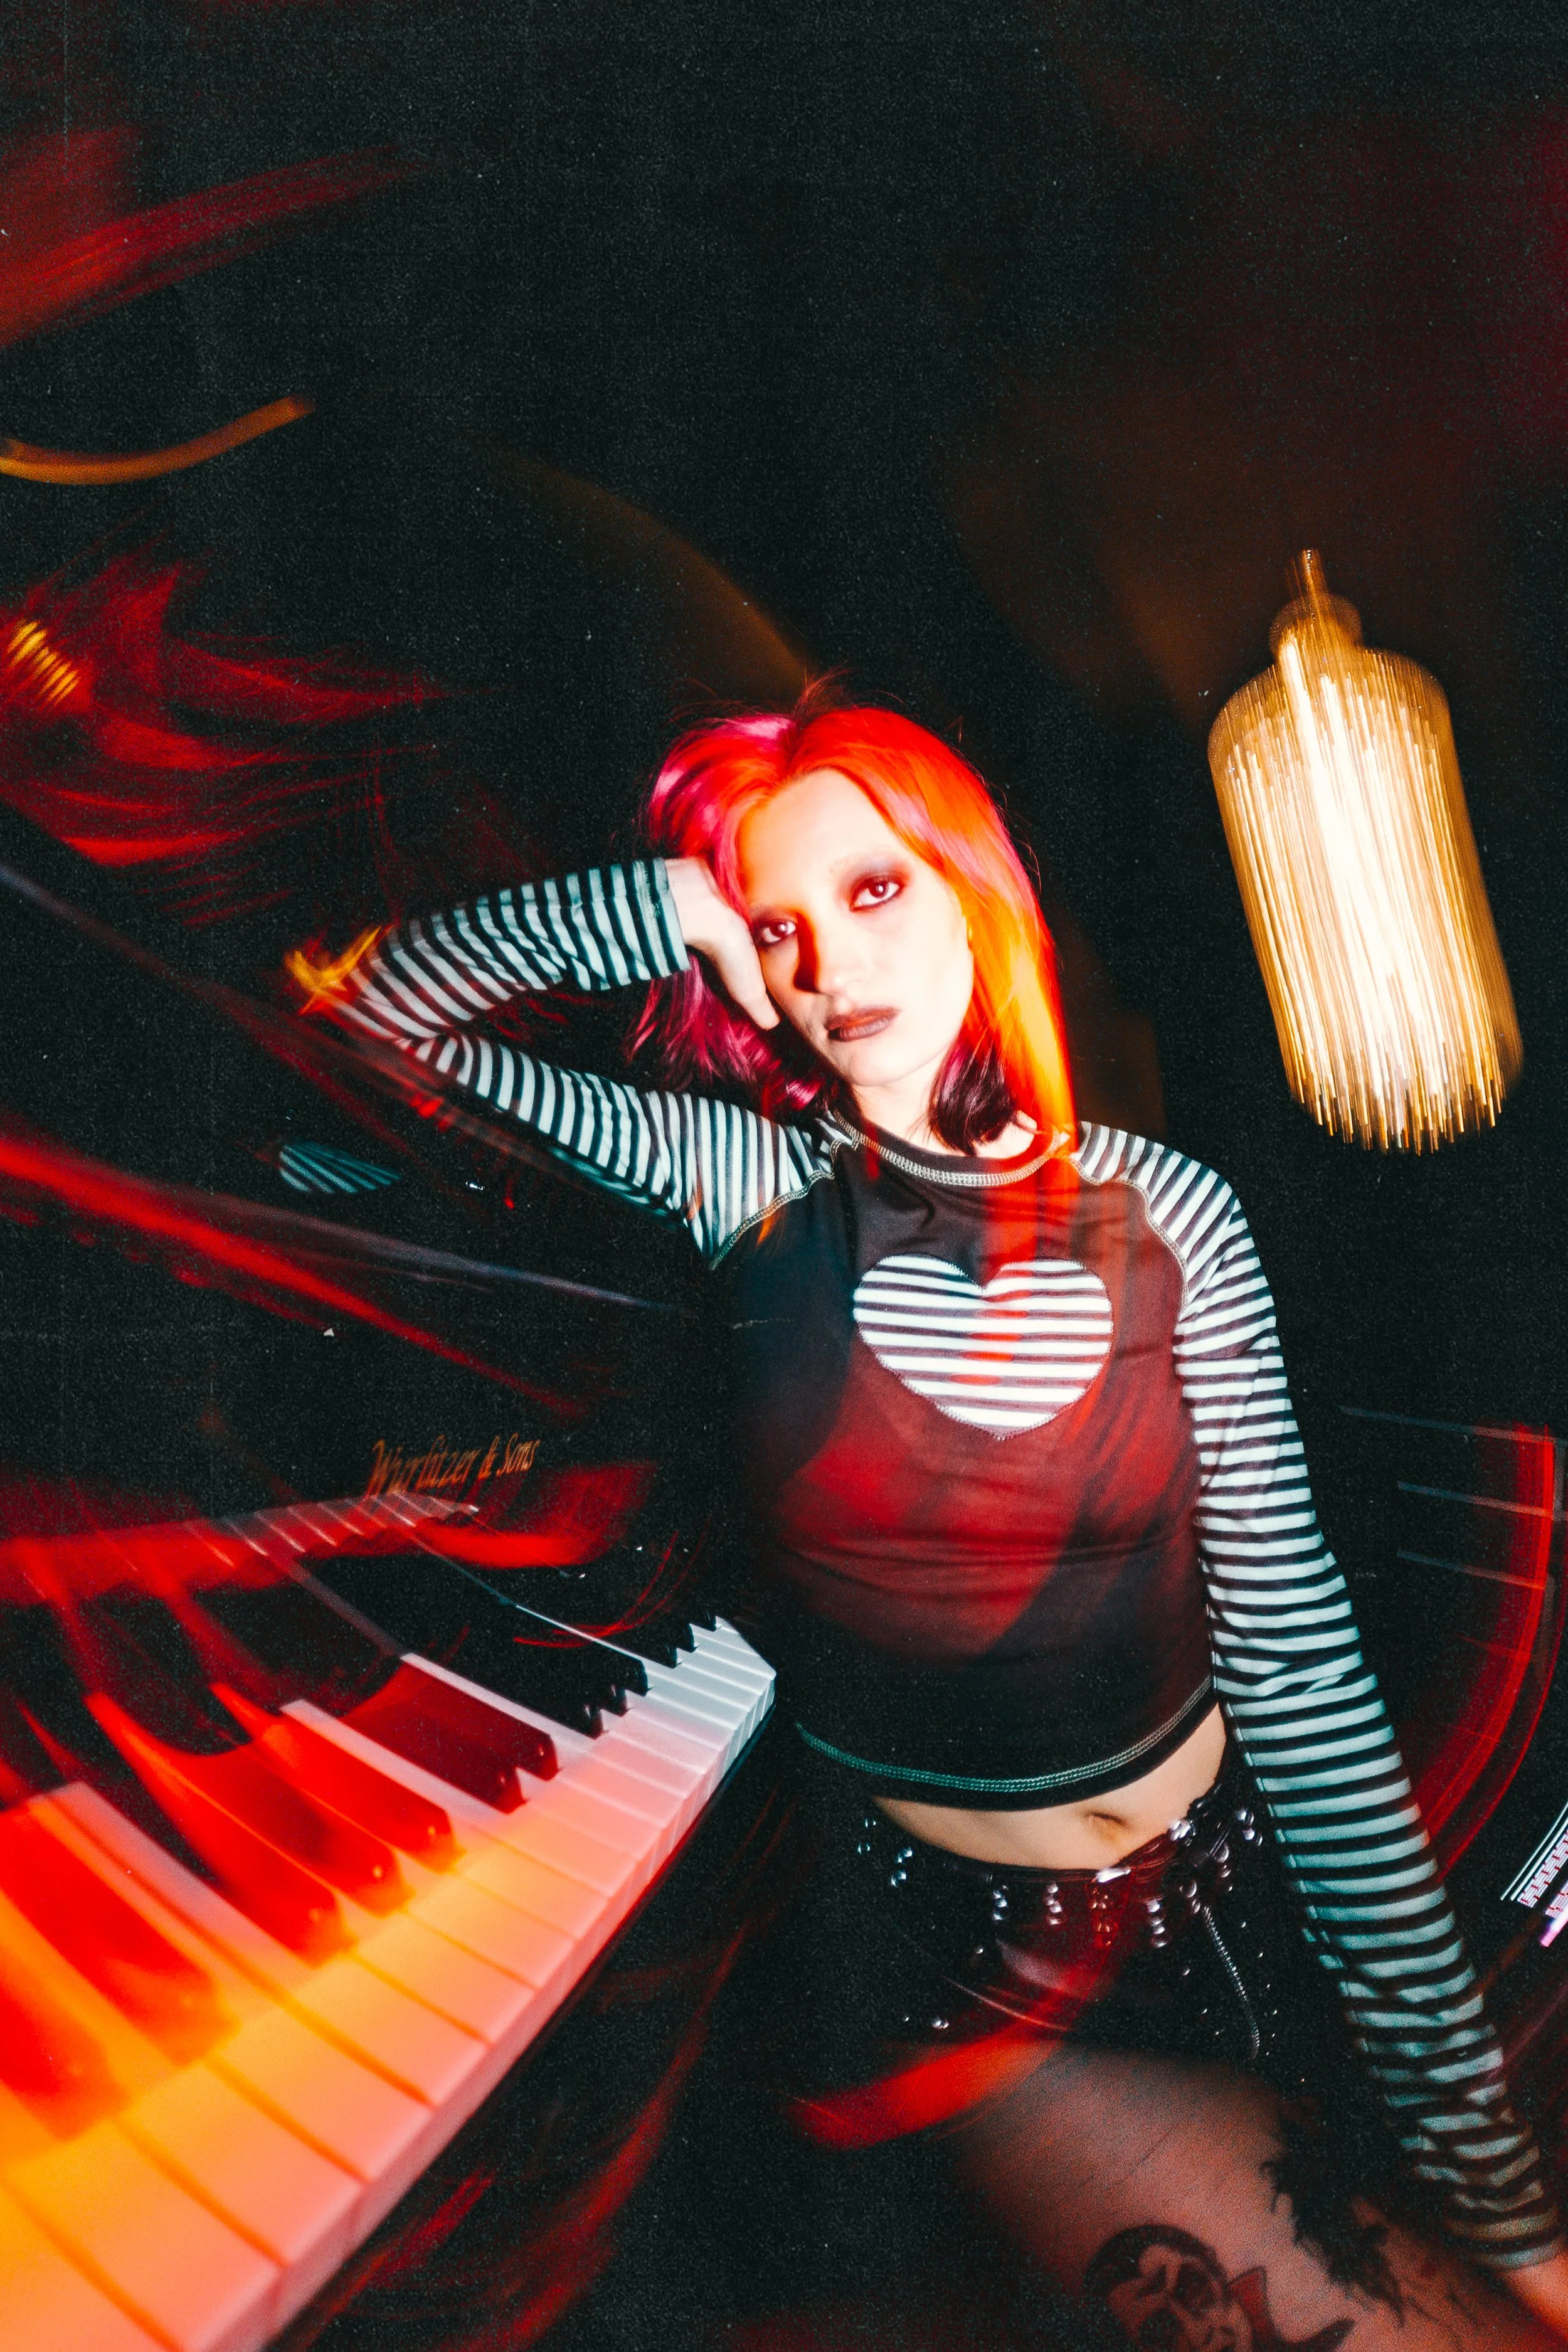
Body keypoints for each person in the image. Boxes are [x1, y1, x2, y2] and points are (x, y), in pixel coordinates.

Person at [298, 693, 1568, 2346]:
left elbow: (1300, 1685)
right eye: (780, 925)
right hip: (975, 1988)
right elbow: (375, 1031)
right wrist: (671, 909)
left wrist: (1494, 2190)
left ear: (971, 888)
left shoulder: (1167, 1215)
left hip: (1242, 1894)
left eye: (875, 890)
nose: (830, 962)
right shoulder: (742, 1182)